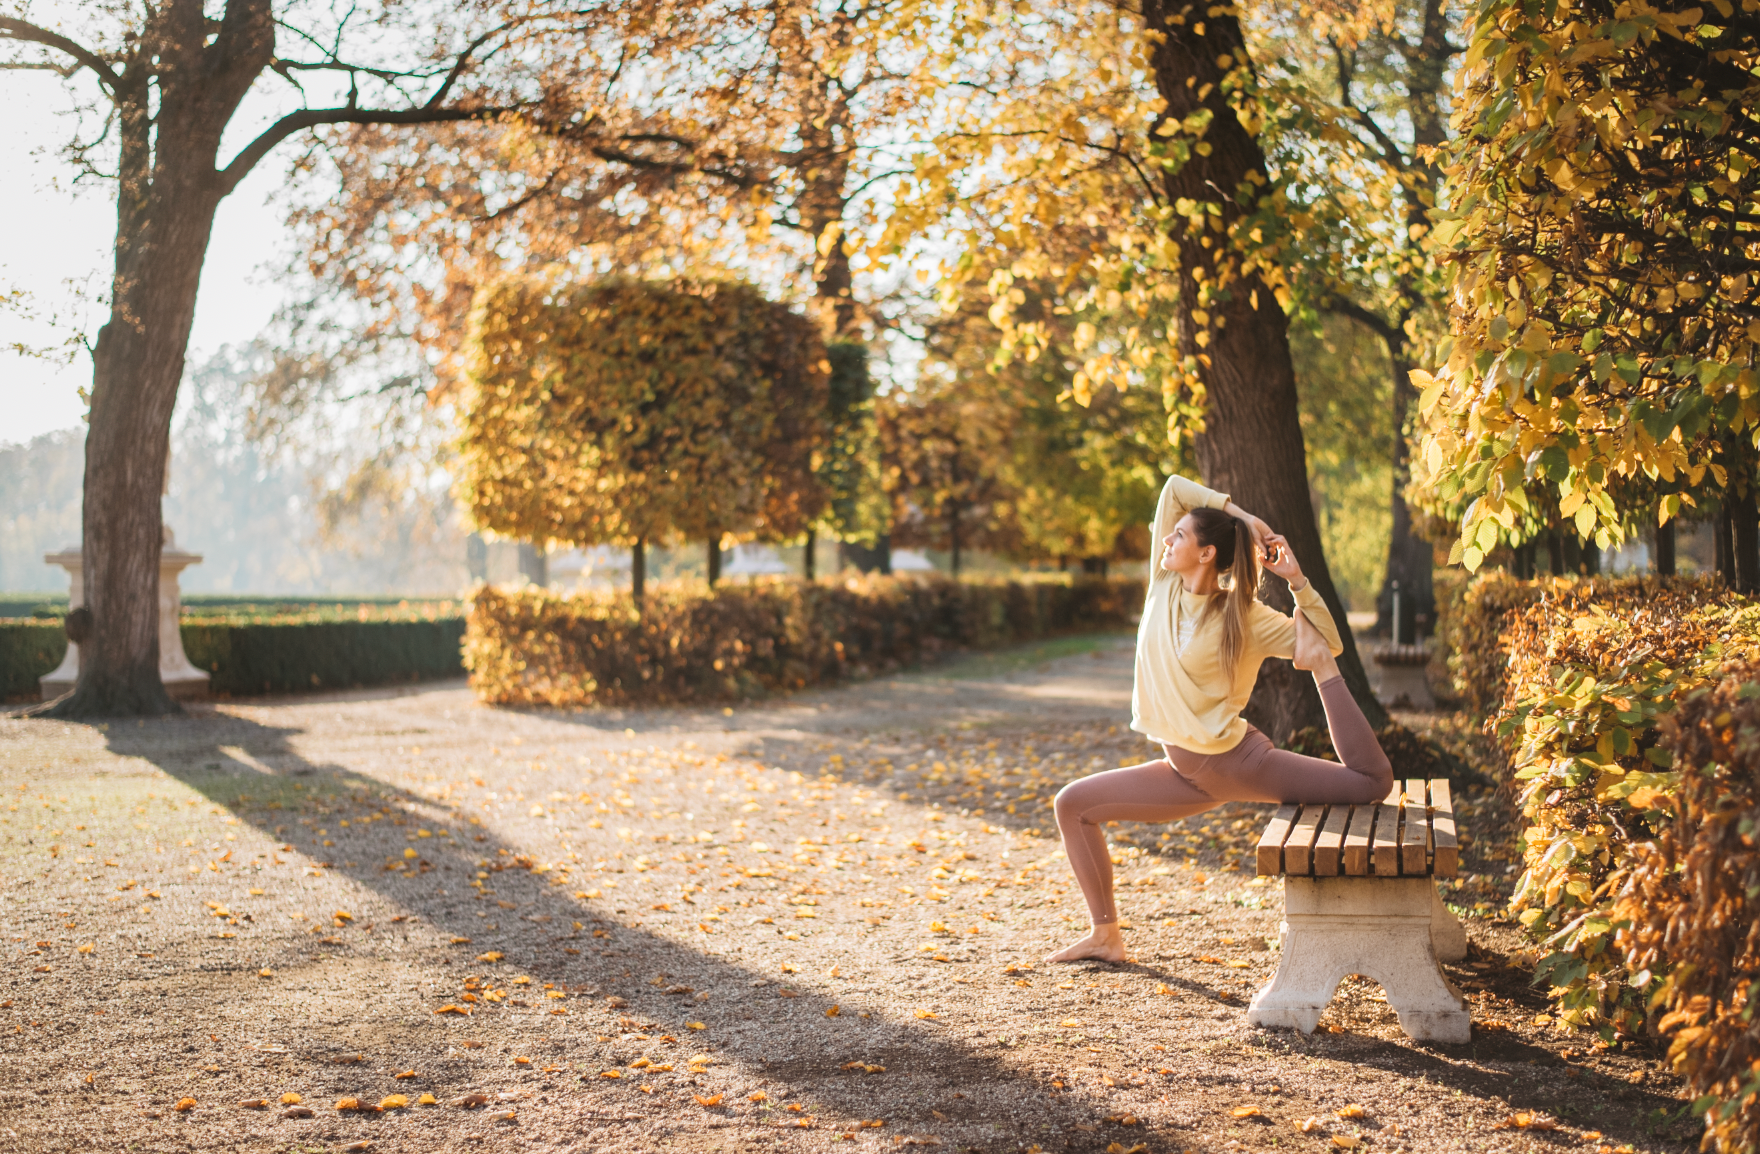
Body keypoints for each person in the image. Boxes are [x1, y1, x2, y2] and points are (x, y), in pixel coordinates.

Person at [1045, 474, 1393, 963]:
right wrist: (1246, 519)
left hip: (1235, 762)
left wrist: (1296, 581)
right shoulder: (1162, 586)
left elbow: (1327, 643)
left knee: (1371, 783)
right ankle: (1106, 937)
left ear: (1206, 553)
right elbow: (1173, 489)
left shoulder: (1244, 615)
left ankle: (1359, 745)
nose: (1166, 538)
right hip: (1186, 774)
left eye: (1180, 536)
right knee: (1073, 805)